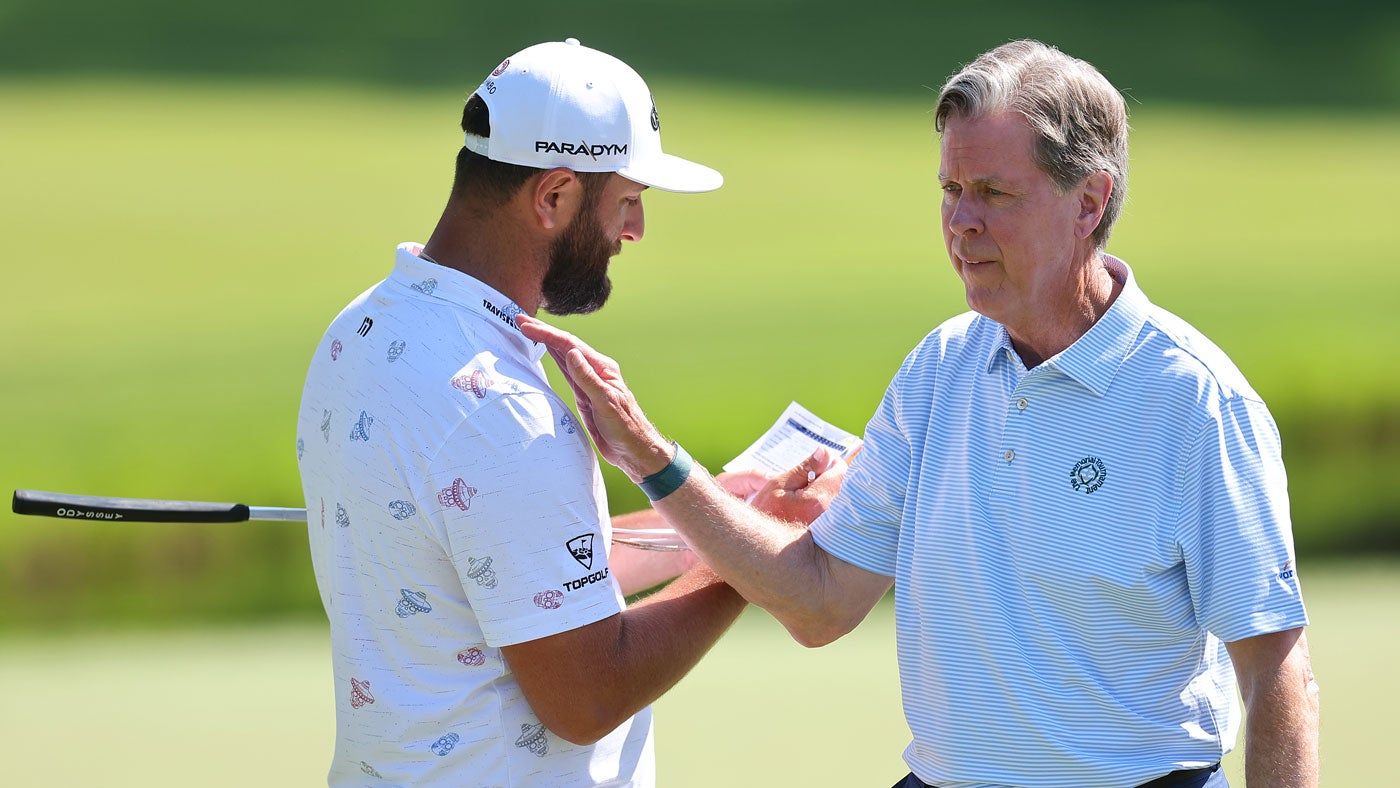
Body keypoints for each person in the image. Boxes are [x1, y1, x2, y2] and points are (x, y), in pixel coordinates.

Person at [518, 40, 1320, 788]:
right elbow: (820, 601)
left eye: (994, 194)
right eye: (950, 190)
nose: (961, 223)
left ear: (1090, 202)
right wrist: (658, 463)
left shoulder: (1195, 400)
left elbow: (1276, 666)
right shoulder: (941, 368)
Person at [295, 38, 841, 787]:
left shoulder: (359, 329)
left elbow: (517, 571)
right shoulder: (503, 415)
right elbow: (586, 695)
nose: (636, 231)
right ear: (553, 197)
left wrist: (719, 508)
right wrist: (744, 563)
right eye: (628, 200)